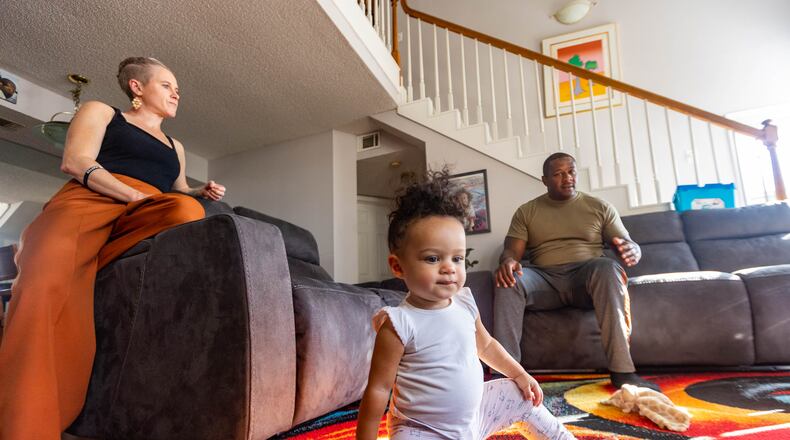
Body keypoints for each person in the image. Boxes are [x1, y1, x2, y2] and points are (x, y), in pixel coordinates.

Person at [0, 57, 226, 439]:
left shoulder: (176, 145)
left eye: (177, 90)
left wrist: (198, 192)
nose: (176, 93)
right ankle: (25, 425)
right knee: (42, 284)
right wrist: (131, 194)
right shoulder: (102, 112)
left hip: (143, 211)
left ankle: (94, 260)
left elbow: (177, 190)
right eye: (167, 85)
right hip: (89, 201)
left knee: (188, 209)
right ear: (137, 88)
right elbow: (76, 162)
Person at [356, 170, 575, 440]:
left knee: (519, 392)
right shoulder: (398, 323)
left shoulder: (464, 303)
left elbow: (486, 346)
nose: (449, 268)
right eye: (433, 259)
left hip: (475, 420)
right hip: (423, 431)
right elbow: (378, 390)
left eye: (457, 258)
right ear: (398, 266)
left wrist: (520, 374)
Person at [494, 152, 658, 391]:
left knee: (608, 267)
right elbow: (511, 251)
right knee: (507, 279)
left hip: (587, 280)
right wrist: (508, 262)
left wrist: (633, 250)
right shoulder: (527, 211)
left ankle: (623, 372)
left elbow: (626, 243)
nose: (567, 178)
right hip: (545, 281)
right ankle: (507, 376)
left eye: (571, 172)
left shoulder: (599, 207)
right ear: (544, 180)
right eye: (558, 174)